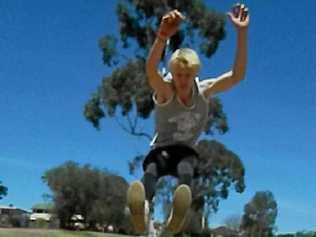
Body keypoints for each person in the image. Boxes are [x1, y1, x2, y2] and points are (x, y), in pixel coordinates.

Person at [127, 3, 249, 235]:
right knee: (152, 168)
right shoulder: (165, 91)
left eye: (187, 75)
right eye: (178, 75)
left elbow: (237, 75)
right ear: (173, 74)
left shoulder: (204, 90)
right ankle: (143, 206)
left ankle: (177, 212)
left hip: (185, 150)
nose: (182, 81)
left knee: (186, 164)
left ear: (195, 74)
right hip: (161, 149)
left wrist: (241, 33)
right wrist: (161, 38)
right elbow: (151, 71)